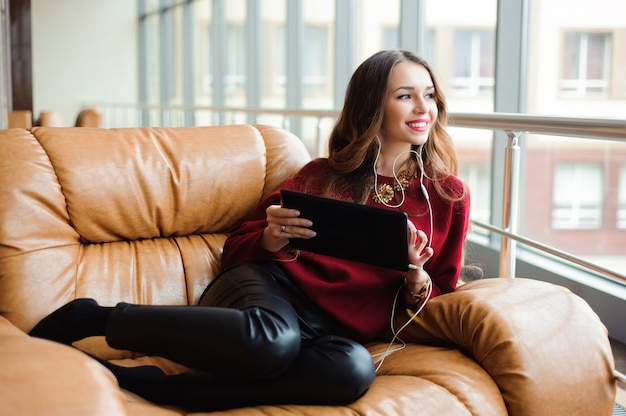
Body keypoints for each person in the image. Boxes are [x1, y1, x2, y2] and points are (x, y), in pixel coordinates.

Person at [28, 50, 470, 411]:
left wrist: (416, 279)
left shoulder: (449, 195)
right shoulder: (322, 175)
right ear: (374, 105)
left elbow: (441, 293)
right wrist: (271, 237)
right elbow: (236, 250)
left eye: (429, 95)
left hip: (333, 329)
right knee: (274, 341)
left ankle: (161, 388)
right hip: (267, 289)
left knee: (351, 372)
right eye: (406, 96)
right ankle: (94, 316)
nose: (423, 108)